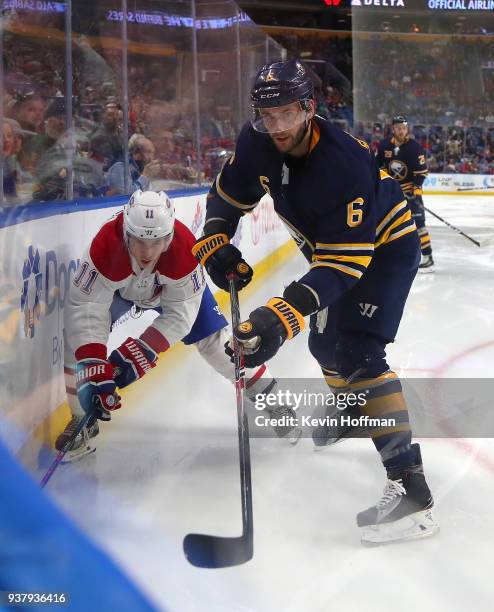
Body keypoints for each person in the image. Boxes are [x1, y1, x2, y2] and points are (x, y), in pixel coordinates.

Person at [193, 59, 438, 544]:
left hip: (384, 251)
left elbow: (347, 264)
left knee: (356, 353)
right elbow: (228, 193)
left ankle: (413, 492)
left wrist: (278, 317)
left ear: (308, 107)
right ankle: (352, 409)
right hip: (333, 254)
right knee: (325, 349)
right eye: (267, 114)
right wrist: (215, 238)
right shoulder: (256, 139)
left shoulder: (341, 163)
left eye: (286, 112)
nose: (277, 125)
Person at [59, 190, 295, 462]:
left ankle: (277, 403)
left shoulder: (184, 249)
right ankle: (81, 420)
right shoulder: (105, 246)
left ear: (169, 235)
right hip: (120, 292)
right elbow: (86, 310)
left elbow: (181, 315)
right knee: (77, 345)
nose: (147, 252)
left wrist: (143, 352)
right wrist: (93, 366)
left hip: (169, 293)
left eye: (156, 242)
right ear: (126, 233)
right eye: (139, 241)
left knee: (219, 347)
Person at [376, 116, 434, 271]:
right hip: (392, 194)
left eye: (403, 128)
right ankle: (389, 257)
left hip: (410, 193)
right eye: (398, 128)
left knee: (419, 226)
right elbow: (377, 167)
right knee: (387, 225)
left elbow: (421, 173)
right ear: (393, 129)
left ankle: (428, 258)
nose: (401, 131)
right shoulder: (384, 146)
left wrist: (415, 191)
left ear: (407, 129)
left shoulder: (415, 148)